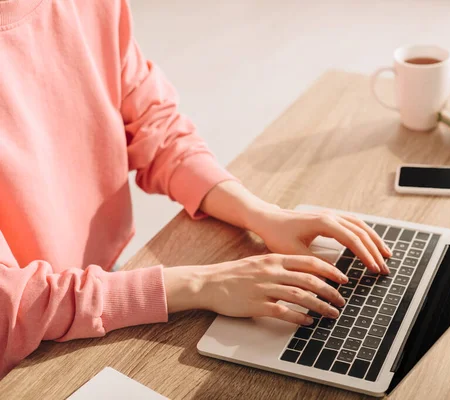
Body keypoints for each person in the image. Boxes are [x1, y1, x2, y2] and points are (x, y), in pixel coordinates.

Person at [0, 0, 392, 378]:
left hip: (101, 280)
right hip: (21, 351)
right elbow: (15, 306)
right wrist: (204, 283)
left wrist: (260, 213)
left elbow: (157, 129)